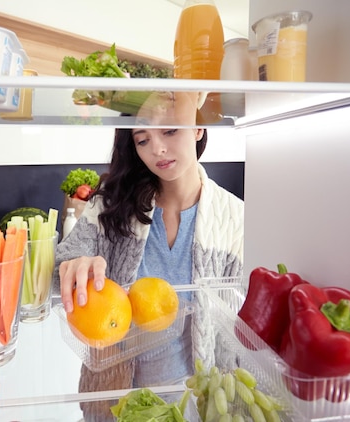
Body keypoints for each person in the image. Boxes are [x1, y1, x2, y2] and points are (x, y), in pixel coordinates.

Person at [54, 91, 244, 421]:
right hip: (113, 397)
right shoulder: (111, 204)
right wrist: (73, 266)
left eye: (169, 131)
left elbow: (234, 333)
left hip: (194, 403)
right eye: (142, 140)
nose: (156, 149)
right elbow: (61, 266)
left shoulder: (233, 218)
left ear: (198, 127)